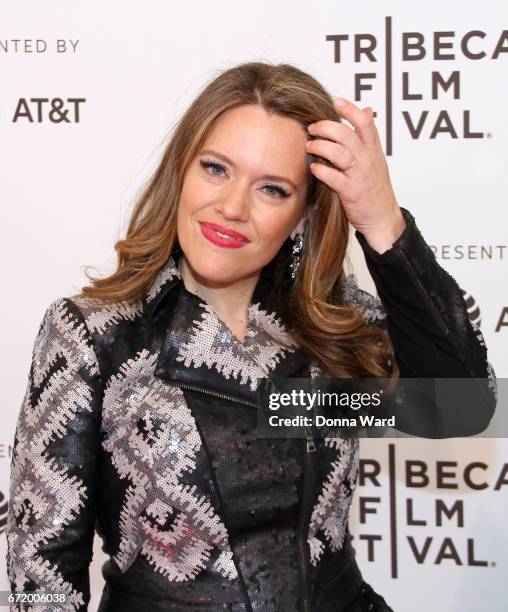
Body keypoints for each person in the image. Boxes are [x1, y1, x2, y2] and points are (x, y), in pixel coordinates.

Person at [6, 61, 496, 612]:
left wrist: (382, 221)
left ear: (303, 214)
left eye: (272, 188)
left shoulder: (333, 331)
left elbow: (461, 408)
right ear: (181, 172)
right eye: (216, 169)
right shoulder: (96, 334)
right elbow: (41, 575)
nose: (232, 208)